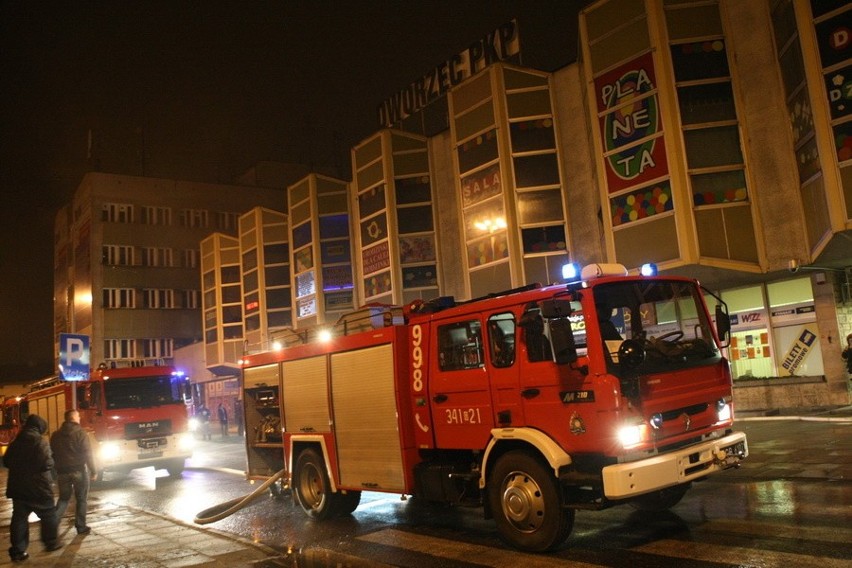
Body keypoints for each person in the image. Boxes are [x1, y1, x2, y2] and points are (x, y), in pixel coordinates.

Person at [4, 414, 61, 562]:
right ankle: (51, 543)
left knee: (19, 519)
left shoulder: (15, 442)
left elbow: (6, 461)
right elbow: (47, 463)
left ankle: (18, 550)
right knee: (48, 514)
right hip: (39, 487)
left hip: (19, 488)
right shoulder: (40, 442)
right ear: (40, 427)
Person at [50, 409, 97, 536]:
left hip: (62, 472)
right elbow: (88, 453)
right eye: (78, 416)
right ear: (74, 418)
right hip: (79, 471)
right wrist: (93, 470)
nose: (79, 418)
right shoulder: (81, 433)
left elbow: (52, 454)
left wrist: (55, 470)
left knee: (63, 499)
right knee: (81, 499)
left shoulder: (55, 435)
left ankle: (52, 523)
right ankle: (81, 526)